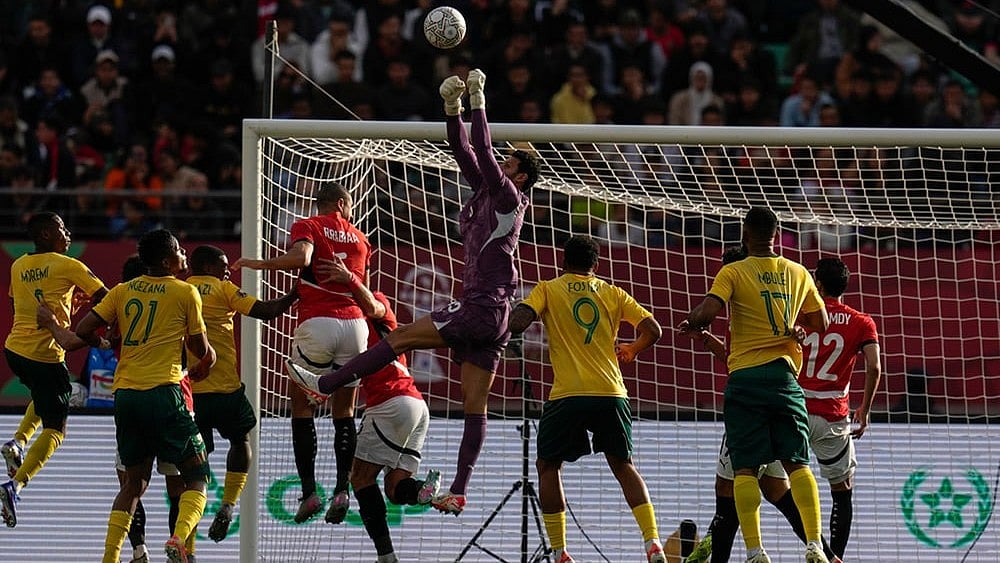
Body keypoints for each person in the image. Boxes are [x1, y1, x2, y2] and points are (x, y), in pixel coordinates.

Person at [285, 68, 541, 515]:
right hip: (496, 312)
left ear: (518, 177)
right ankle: (459, 488)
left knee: (398, 337)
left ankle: (325, 384)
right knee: (474, 406)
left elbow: (481, 146)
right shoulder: (487, 190)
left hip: (481, 304)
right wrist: (451, 108)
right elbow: (463, 148)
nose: (502, 161)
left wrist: (479, 99)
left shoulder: (507, 197)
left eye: (511, 161)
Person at [680, 207, 831, 563]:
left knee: (743, 470)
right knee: (798, 465)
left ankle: (755, 550)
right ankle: (815, 545)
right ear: (777, 234)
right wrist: (800, 328)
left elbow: (709, 311)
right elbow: (821, 321)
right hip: (784, 379)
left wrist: (692, 321)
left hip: (746, 380)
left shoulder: (733, 271)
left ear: (745, 233)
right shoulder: (797, 272)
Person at [506, 235, 667, 563]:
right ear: (596, 265)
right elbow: (653, 328)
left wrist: (506, 315)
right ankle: (652, 542)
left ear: (563, 262)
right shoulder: (613, 292)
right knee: (624, 466)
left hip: (568, 394)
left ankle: (560, 551)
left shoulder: (549, 288)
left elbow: (520, 322)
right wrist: (632, 349)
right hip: (611, 392)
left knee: (548, 466)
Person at [231, 181, 372, 525]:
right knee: (345, 411)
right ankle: (342, 489)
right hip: (355, 325)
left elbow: (302, 258)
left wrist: (257, 264)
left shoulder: (308, 225)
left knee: (302, 406)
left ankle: (310, 492)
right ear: (341, 204)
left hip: (318, 323)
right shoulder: (360, 238)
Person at [75, 229, 216, 563]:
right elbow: (199, 349)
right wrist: (207, 359)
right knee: (197, 477)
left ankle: (110, 557)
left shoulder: (122, 291)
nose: (185, 255)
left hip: (125, 396)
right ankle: (178, 540)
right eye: (180, 251)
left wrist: (104, 344)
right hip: (165, 392)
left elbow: (83, 330)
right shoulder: (185, 292)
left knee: (133, 485)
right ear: (167, 260)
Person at [317, 254, 441, 563]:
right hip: (415, 404)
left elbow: (373, 306)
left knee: (361, 477)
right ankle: (422, 492)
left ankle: (386, 556)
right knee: (394, 487)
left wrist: (349, 279)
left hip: (391, 403)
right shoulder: (347, 325)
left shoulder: (374, 308)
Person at [1, 212, 109, 528]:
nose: (69, 234)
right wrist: (99, 333)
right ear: (48, 234)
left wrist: (65, 308)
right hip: (45, 354)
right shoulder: (68, 265)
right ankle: (14, 485)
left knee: (45, 395)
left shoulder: (18, 264)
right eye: (63, 229)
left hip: (15, 350)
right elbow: (106, 299)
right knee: (56, 430)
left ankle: (17, 442)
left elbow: (22, 306)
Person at [184, 245, 298, 541]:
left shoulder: (180, 291)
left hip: (190, 394)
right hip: (225, 389)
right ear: (208, 268)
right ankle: (228, 504)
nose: (227, 271)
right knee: (241, 440)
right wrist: (296, 291)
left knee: (196, 460)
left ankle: (193, 515)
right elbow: (269, 311)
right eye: (223, 266)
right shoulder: (223, 289)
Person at [798, 258, 881, 561]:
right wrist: (865, 409)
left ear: (817, 285)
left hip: (796, 411)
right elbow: (874, 367)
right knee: (841, 488)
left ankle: (818, 546)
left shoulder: (801, 315)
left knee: (783, 485)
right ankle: (837, 555)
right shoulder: (862, 322)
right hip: (833, 415)